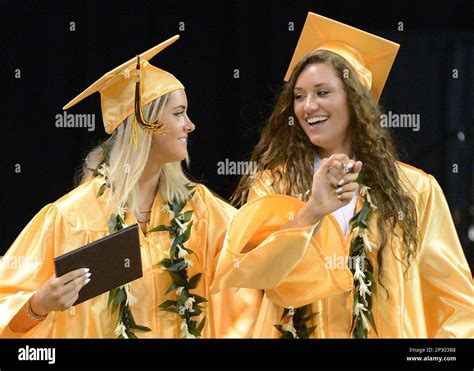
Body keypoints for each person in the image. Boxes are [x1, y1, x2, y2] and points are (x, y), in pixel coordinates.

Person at [210, 13, 473, 338]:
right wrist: (312, 211)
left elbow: (458, 303)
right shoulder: (274, 184)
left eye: (322, 92)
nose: (308, 106)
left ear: (356, 100)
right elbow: (251, 273)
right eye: (299, 95)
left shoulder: (415, 190)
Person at [0, 35, 260, 338]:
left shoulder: (199, 208)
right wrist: (39, 304)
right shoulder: (72, 217)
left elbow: (258, 252)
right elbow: (6, 300)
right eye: (178, 113)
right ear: (144, 124)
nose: (190, 125)